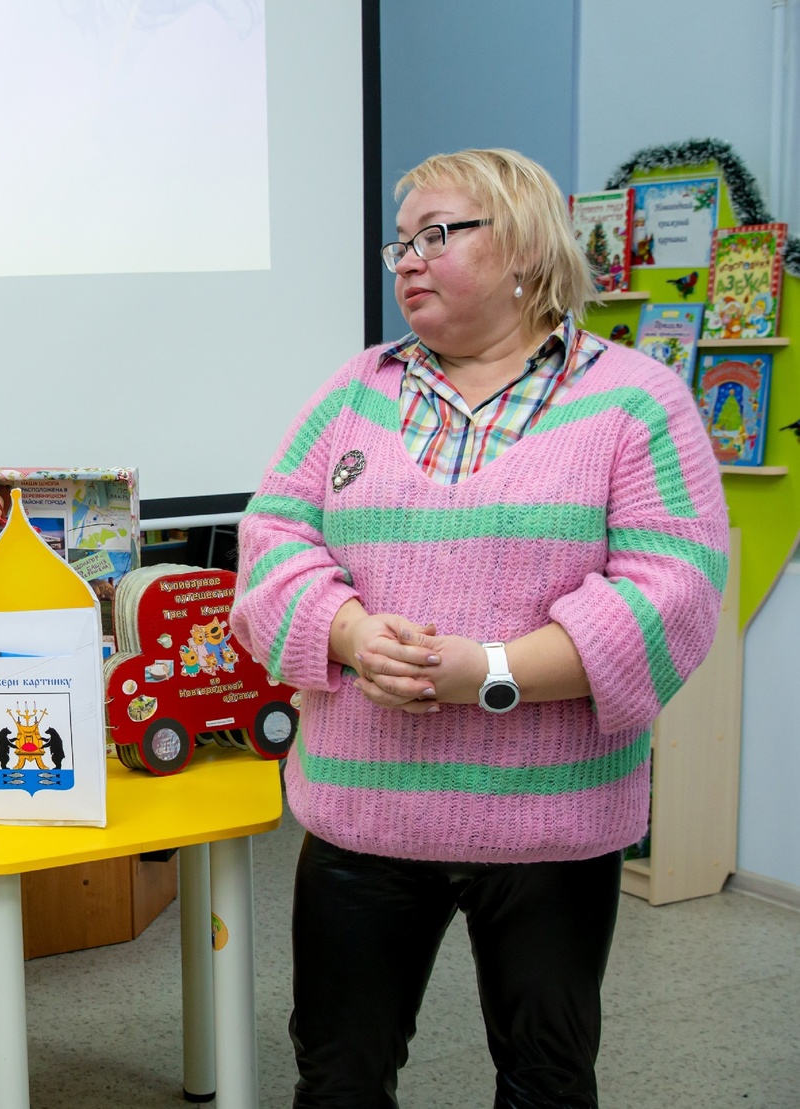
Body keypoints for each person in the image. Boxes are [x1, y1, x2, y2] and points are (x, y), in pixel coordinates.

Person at [230, 149, 728, 1108]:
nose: (408, 260)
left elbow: (672, 587)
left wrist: (490, 671)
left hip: (552, 824)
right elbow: (272, 538)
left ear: (526, 247)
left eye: (436, 235)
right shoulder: (355, 390)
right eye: (399, 244)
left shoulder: (634, 399)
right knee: (338, 1075)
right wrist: (348, 632)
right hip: (365, 814)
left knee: (546, 1078)